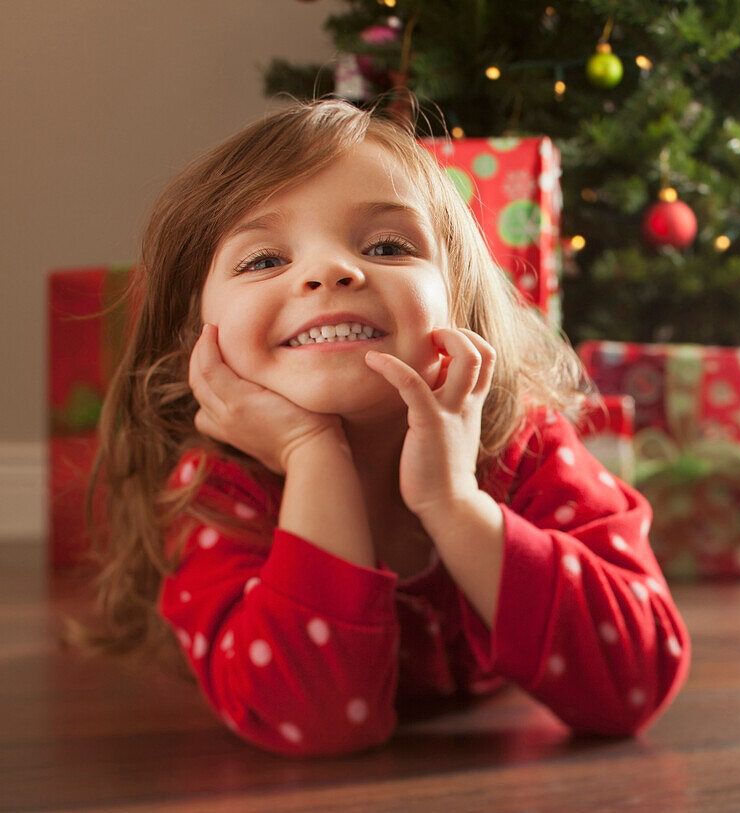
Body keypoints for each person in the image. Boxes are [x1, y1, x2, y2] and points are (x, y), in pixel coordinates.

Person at [87, 98, 691, 756]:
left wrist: (454, 504)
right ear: (194, 336)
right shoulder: (217, 489)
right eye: (262, 260)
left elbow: (638, 679)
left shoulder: (527, 446)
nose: (330, 272)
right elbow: (318, 719)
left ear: (461, 305)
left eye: (386, 246)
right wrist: (311, 456)